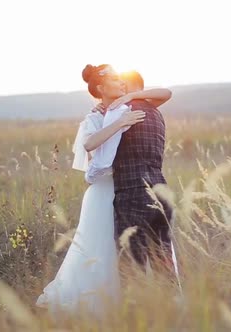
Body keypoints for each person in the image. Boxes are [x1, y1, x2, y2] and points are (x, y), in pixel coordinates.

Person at [36, 64, 172, 315]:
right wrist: (119, 122)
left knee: (127, 245)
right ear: (100, 88)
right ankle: (103, 303)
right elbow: (89, 143)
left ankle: (137, 302)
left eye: (122, 80)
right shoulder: (97, 116)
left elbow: (164, 94)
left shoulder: (125, 107)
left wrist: (127, 102)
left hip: (127, 186)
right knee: (103, 248)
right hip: (105, 190)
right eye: (115, 80)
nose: (121, 83)